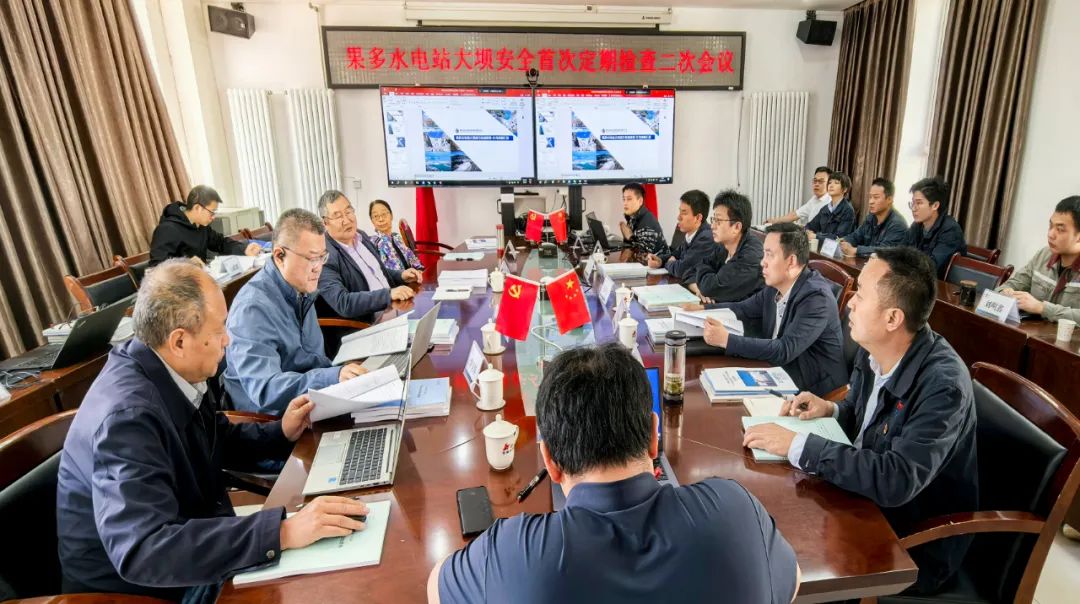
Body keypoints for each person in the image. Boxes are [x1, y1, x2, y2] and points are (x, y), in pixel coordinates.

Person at [56, 259, 369, 601]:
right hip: (146, 592)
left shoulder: (170, 367)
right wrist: (282, 532)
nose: (228, 340)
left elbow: (217, 439)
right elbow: (145, 549)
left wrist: (282, 431)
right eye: (219, 330)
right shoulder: (127, 420)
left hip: (195, 546)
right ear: (179, 341)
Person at [430, 344, 801, 604]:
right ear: (653, 437)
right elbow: (790, 580)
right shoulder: (735, 512)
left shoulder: (513, 553)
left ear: (550, 462)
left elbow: (437, 588)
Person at [743, 247, 978, 594]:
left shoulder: (943, 387)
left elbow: (896, 479)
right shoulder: (875, 349)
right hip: (861, 503)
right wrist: (830, 409)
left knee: (780, 569)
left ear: (893, 318)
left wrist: (797, 445)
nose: (850, 303)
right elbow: (864, 412)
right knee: (761, 527)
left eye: (861, 295)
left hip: (910, 542)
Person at [225, 209, 366, 415]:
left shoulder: (301, 286)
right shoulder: (252, 309)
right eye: (312, 258)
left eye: (322, 257)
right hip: (274, 419)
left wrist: (341, 372)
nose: (318, 268)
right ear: (280, 256)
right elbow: (266, 390)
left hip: (311, 399)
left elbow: (309, 358)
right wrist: (332, 377)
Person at [703, 223, 847, 397]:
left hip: (814, 390)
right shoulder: (775, 286)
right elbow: (742, 308)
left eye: (769, 255)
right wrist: (702, 309)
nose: (762, 262)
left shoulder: (816, 298)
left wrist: (727, 340)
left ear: (791, 261)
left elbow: (784, 349)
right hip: (779, 372)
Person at [317, 191, 422, 323]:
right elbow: (343, 302)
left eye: (348, 212)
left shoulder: (361, 236)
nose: (347, 220)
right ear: (325, 223)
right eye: (338, 216)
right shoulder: (324, 256)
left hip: (393, 309)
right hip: (369, 324)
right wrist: (388, 295)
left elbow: (378, 271)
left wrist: (401, 275)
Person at [999, 196, 1080, 323]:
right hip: (1033, 332)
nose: (1050, 234)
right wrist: (1006, 293)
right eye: (1050, 226)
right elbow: (1012, 284)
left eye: (1060, 230)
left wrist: (1042, 308)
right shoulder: (1043, 255)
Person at [149, 185, 262, 267]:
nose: (213, 217)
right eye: (211, 212)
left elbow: (221, 243)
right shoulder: (167, 230)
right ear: (197, 208)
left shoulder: (201, 226)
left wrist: (244, 249)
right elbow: (156, 266)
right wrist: (185, 264)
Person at [688, 189, 764, 304]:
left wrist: (704, 285)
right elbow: (700, 266)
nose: (712, 226)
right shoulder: (725, 245)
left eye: (718, 220)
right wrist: (701, 287)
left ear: (737, 227)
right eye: (713, 219)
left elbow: (711, 289)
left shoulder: (751, 255)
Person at [904, 177, 967, 278]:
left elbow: (931, 266)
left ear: (935, 205)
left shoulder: (950, 230)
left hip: (941, 284)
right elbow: (903, 251)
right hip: (917, 279)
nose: (914, 208)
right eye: (913, 203)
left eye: (919, 203)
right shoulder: (917, 225)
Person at [646, 190, 715, 280]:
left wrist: (670, 263)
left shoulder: (706, 238)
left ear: (698, 218)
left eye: (684, 213)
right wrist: (660, 260)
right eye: (680, 212)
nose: (678, 217)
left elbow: (681, 269)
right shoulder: (691, 234)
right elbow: (676, 254)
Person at [840, 177, 908, 258]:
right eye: (870, 197)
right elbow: (856, 236)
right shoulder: (871, 217)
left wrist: (856, 251)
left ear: (889, 199)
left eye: (876, 197)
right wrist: (843, 241)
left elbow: (884, 251)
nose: (871, 201)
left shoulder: (898, 224)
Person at [368, 199, 425, 271]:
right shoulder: (374, 243)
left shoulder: (396, 236)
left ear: (391, 216)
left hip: (412, 275)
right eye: (376, 216)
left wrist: (420, 269)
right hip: (400, 278)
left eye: (384, 214)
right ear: (372, 221)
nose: (381, 219)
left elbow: (410, 255)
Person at [619, 183, 669, 263]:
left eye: (629, 199)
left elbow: (644, 258)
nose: (625, 203)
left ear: (640, 201)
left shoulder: (647, 224)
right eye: (624, 199)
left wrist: (630, 238)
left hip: (657, 268)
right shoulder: (633, 217)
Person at [765, 166, 832, 225]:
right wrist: (774, 221)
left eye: (821, 181)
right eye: (815, 181)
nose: (816, 184)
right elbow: (795, 215)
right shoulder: (814, 199)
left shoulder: (831, 202)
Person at [806, 171, 857, 241]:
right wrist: (807, 231)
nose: (831, 185)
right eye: (830, 183)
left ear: (845, 189)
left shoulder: (848, 210)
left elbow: (839, 237)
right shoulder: (825, 209)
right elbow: (810, 226)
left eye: (836, 183)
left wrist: (816, 236)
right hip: (822, 245)